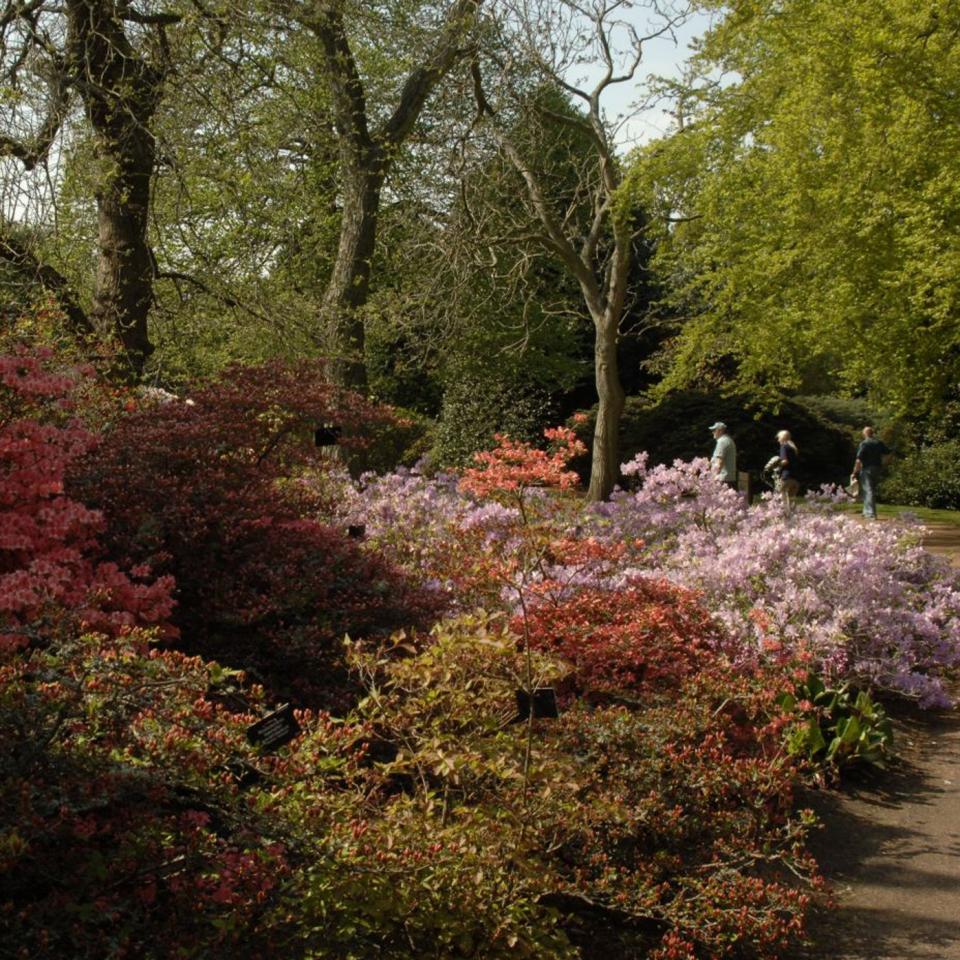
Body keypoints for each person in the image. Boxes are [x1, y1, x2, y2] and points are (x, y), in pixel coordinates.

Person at [851, 426, 892, 519]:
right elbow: (888, 453)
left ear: (864, 434)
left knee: (868, 490)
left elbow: (858, 460)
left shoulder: (864, 444)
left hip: (867, 469)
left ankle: (870, 514)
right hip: (877, 468)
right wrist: (884, 463)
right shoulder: (879, 443)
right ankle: (866, 512)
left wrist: (854, 472)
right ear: (872, 433)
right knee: (871, 490)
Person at [774, 429, 800, 510]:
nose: (778, 440)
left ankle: (779, 522)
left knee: (777, 502)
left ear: (782, 438)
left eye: (778, 438)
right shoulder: (793, 448)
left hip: (786, 478)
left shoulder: (784, 446)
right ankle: (793, 522)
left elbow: (785, 461)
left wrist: (775, 465)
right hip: (795, 480)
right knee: (791, 506)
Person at [709, 421, 737, 489]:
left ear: (720, 431)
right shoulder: (728, 440)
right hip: (727, 478)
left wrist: (713, 477)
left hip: (722, 479)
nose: (713, 432)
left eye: (714, 430)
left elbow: (720, 461)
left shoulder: (722, 441)